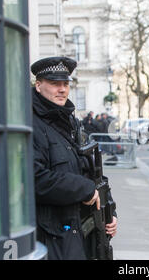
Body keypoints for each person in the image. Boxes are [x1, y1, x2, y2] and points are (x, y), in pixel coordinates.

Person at [31, 57, 117, 260]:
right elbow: (34, 178)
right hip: (52, 236)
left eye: (66, 84)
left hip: (82, 232)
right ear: (38, 85)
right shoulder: (31, 125)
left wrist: (110, 211)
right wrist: (84, 189)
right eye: (54, 84)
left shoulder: (71, 122)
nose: (62, 89)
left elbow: (94, 172)